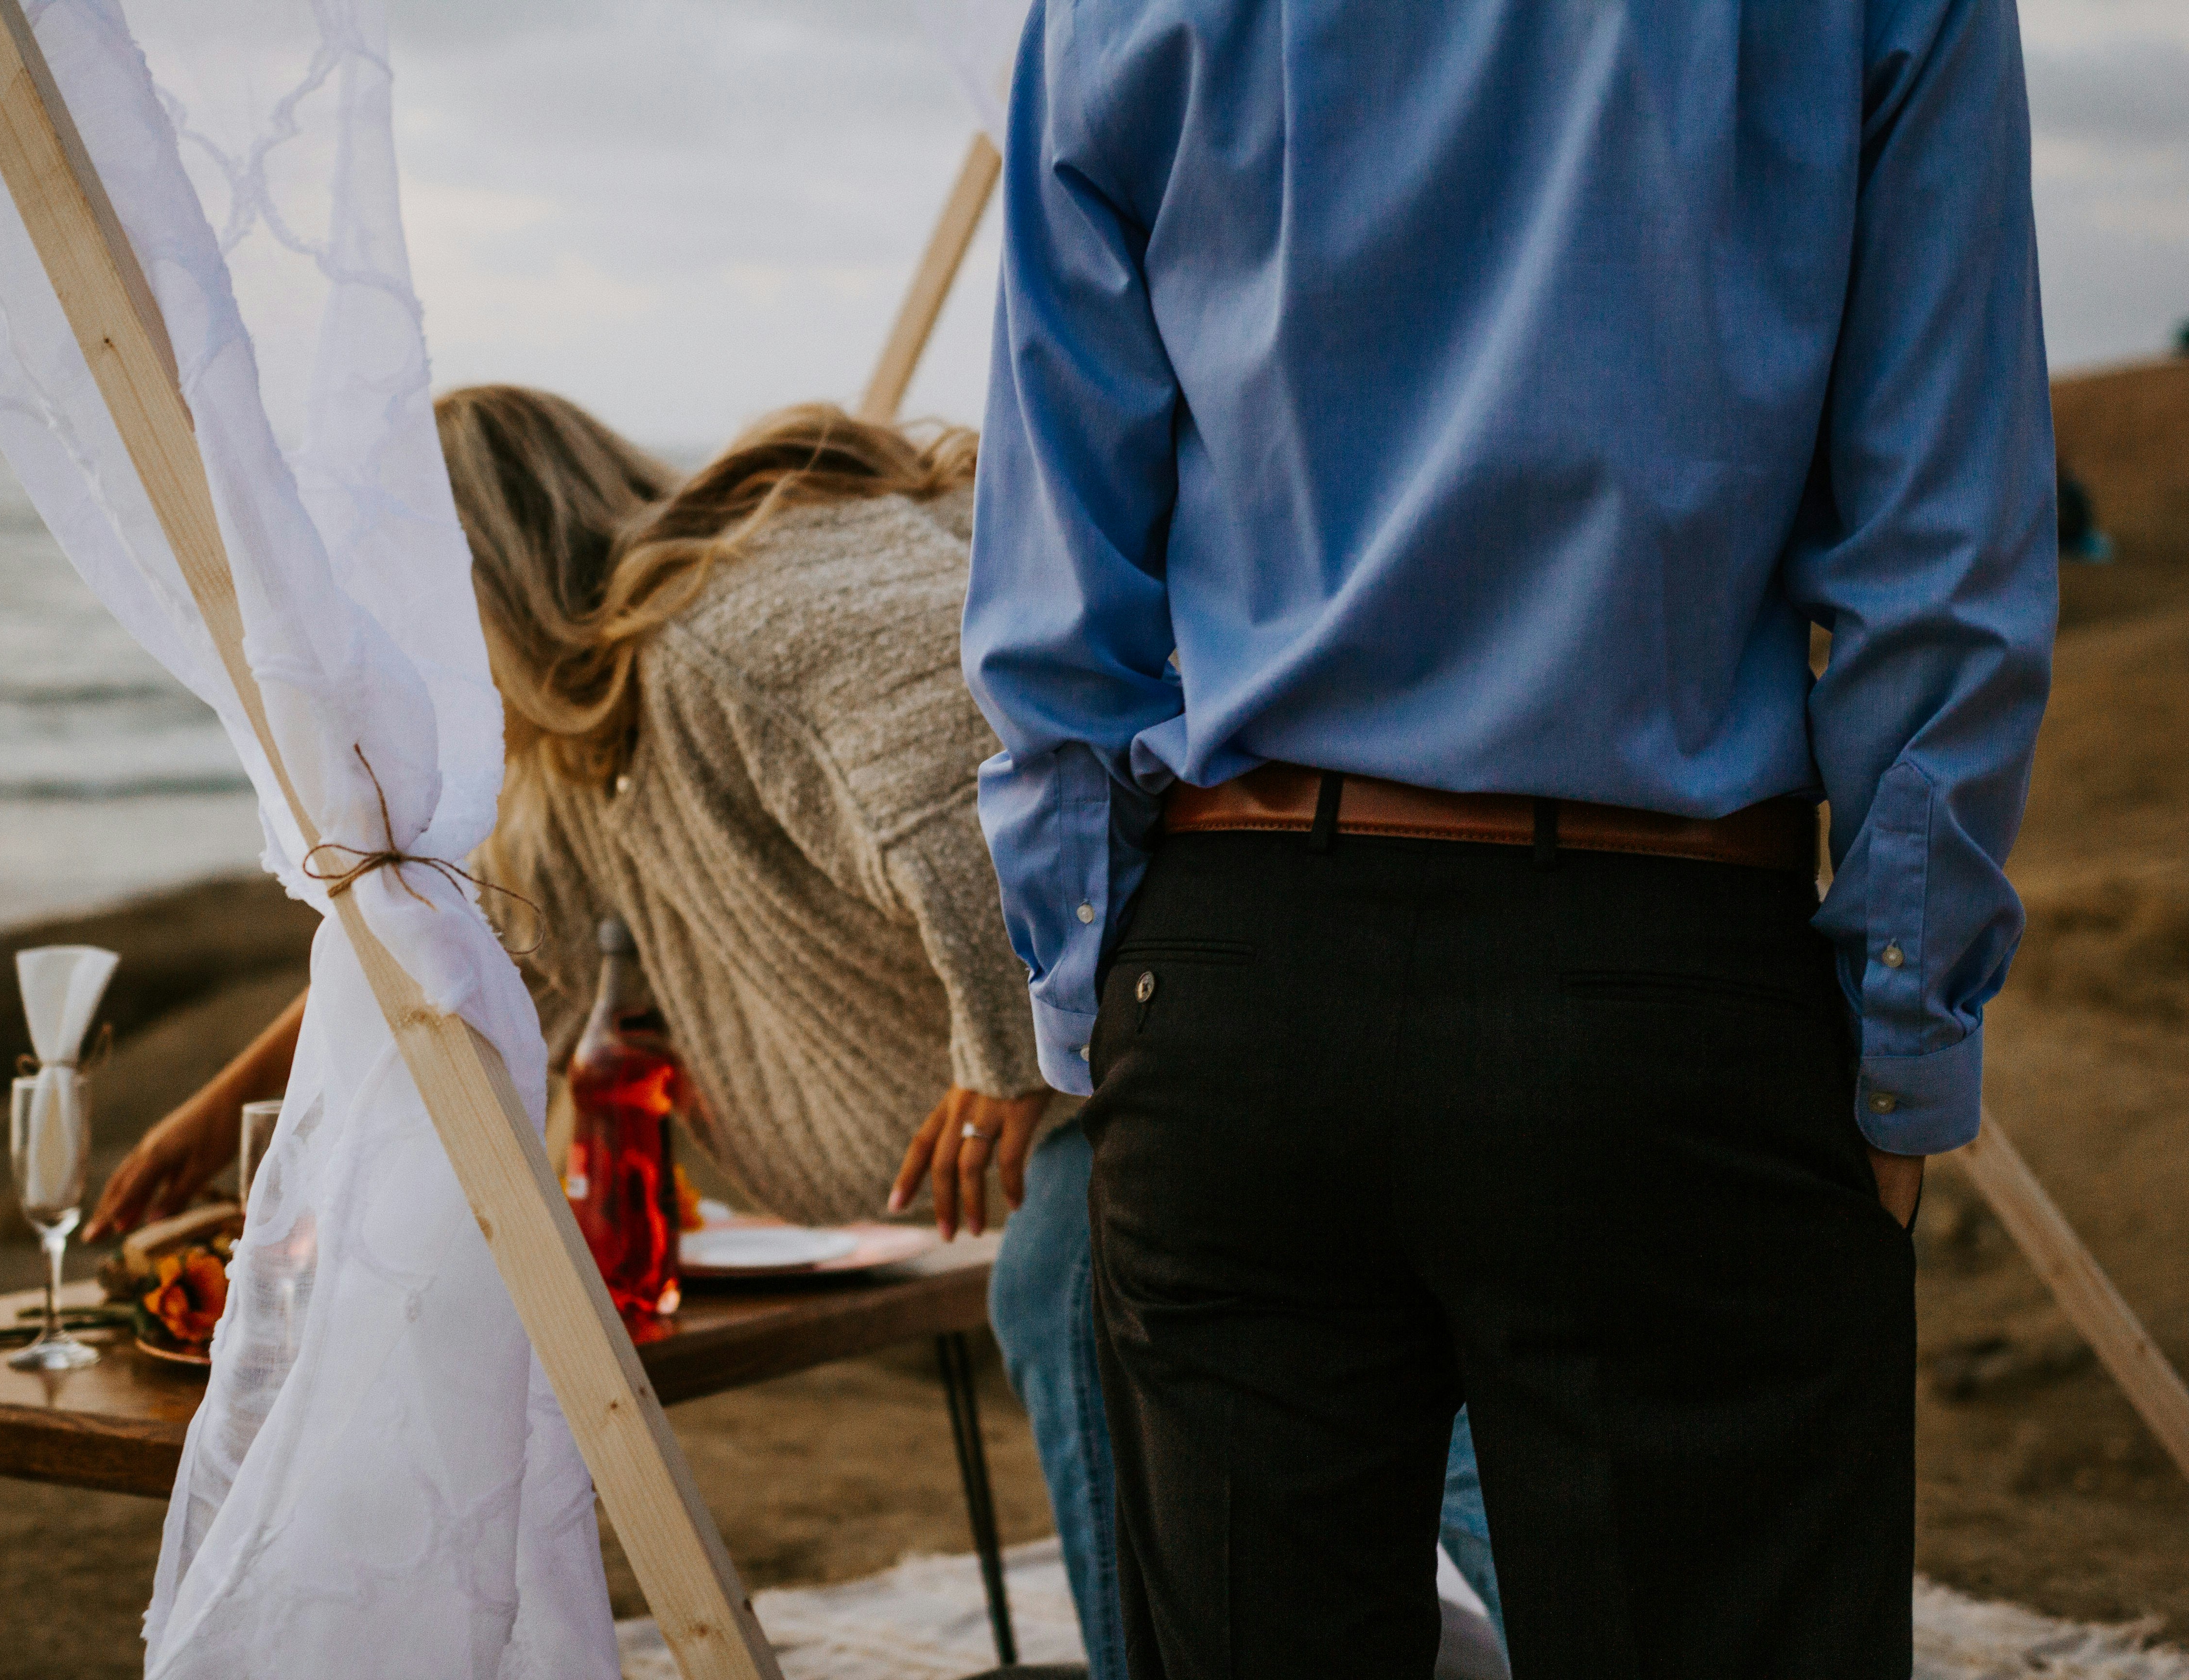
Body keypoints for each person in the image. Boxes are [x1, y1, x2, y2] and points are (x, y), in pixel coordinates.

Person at [83, 386, 1507, 1673]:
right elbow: (461, 958)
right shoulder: (591, 747)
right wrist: (220, 1111)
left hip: (1218, 1003)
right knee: (1354, 1409)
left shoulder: (734, 617)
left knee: (1123, 1319)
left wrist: (1000, 1056)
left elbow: (965, 768)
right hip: (1181, 1031)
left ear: (481, 576)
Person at [963, 2, 2056, 1677]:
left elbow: (1055, 585)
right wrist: (1907, 1031)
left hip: (1239, 987)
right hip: (1666, 991)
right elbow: (1943, 565)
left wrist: (1091, 992)